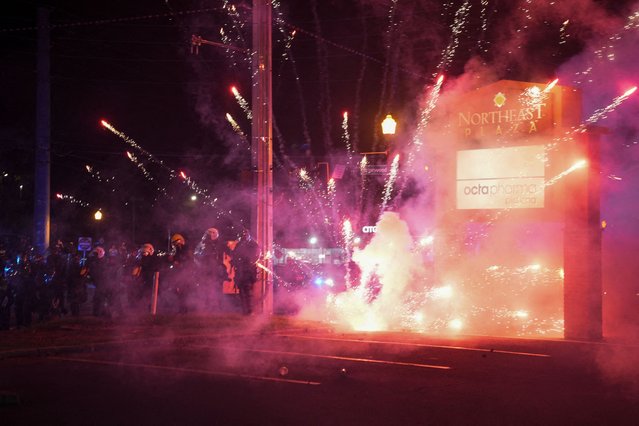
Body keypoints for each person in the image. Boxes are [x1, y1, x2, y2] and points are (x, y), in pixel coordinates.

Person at [194, 228, 229, 311]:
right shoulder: (203, 244)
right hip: (206, 269)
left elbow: (230, 252)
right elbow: (196, 254)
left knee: (217, 287)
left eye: (209, 234)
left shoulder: (220, 244)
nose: (208, 236)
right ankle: (207, 306)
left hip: (216, 269)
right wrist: (200, 264)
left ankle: (217, 307)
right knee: (206, 287)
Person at [231, 229, 260, 315]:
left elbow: (255, 256)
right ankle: (245, 310)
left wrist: (247, 262)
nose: (244, 236)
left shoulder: (253, 244)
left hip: (248, 270)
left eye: (245, 235)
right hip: (240, 270)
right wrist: (235, 263)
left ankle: (250, 310)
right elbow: (234, 255)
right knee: (241, 291)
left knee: (248, 291)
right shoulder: (239, 244)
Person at [166, 233, 194, 313]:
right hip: (180, 273)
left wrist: (179, 263)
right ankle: (182, 308)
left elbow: (189, 260)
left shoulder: (186, 249)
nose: (175, 245)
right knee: (179, 291)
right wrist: (173, 259)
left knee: (185, 291)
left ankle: (185, 309)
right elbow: (177, 258)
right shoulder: (178, 250)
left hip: (186, 273)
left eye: (176, 242)